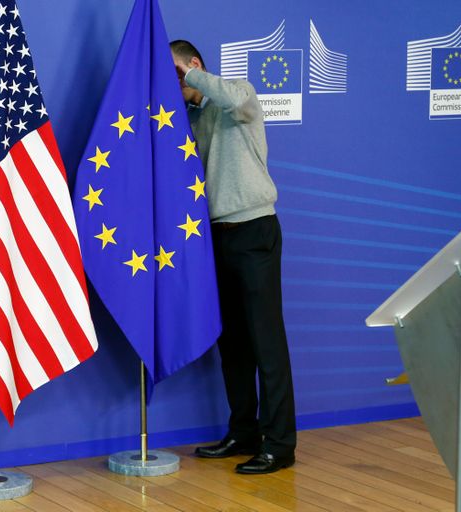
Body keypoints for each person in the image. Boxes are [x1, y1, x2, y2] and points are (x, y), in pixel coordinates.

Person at [170, 39, 296, 474]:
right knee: (234, 345)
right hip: (216, 236)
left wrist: (189, 75)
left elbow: (233, 96)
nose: (176, 84)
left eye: (178, 74)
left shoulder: (238, 95)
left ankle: (279, 444)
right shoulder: (189, 118)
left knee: (266, 342)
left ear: (195, 66)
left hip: (255, 228)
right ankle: (244, 432)